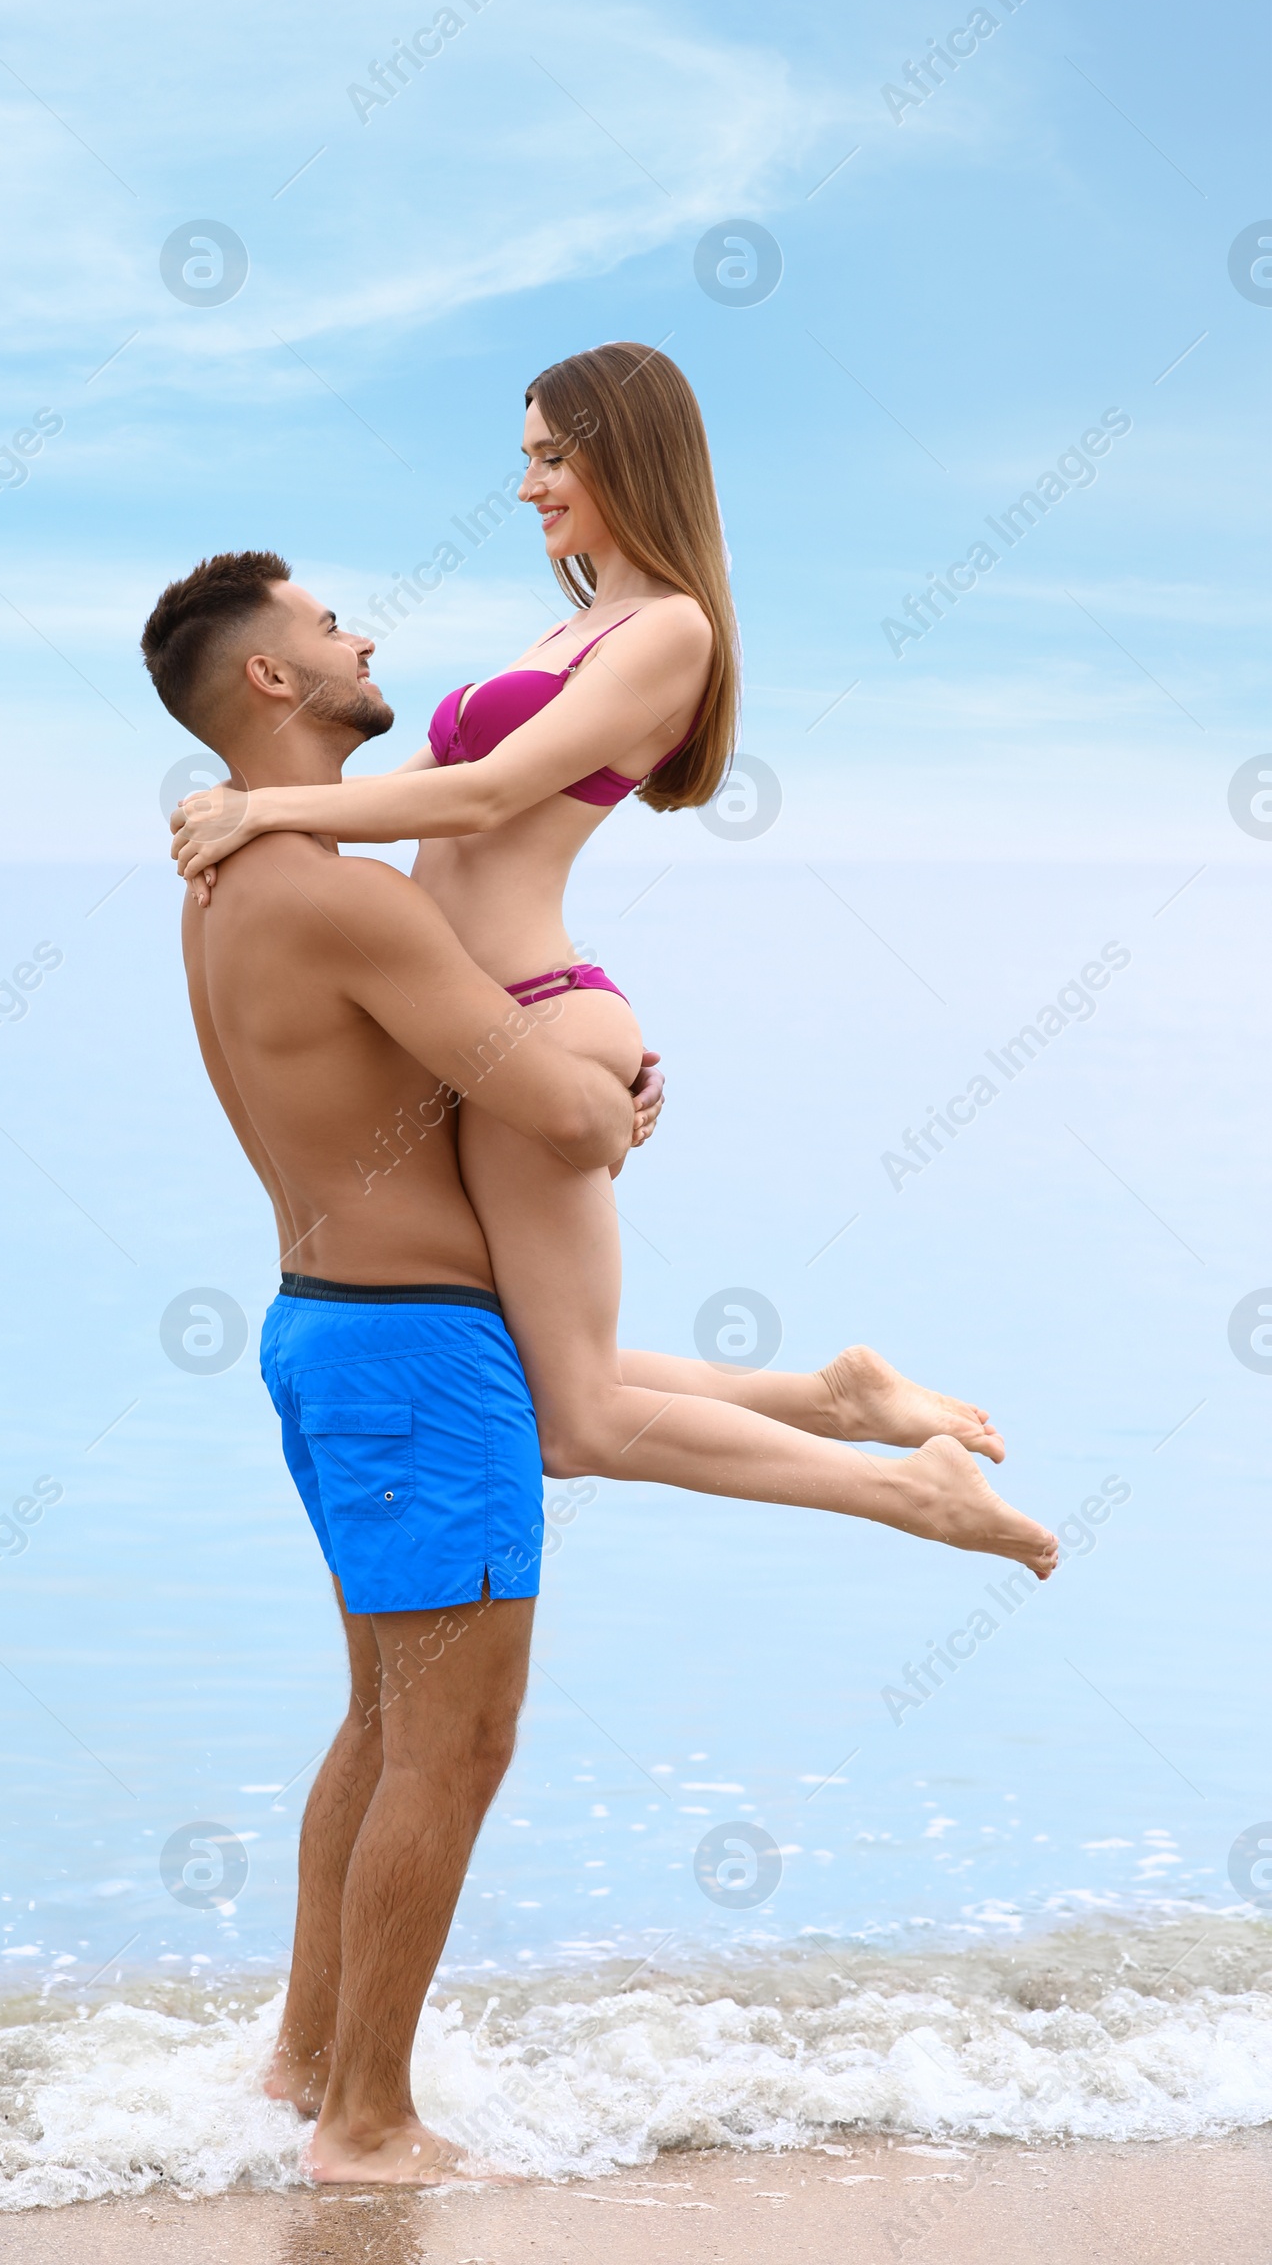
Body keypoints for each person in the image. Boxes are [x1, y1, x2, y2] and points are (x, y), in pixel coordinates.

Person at [170, 348, 1058, 1581]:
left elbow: (479, 800)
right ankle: (837, 1396)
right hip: (488, 1032)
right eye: (525, 458)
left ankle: (913, 1493)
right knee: (539, 1367)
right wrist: (264, 810)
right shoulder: (575, 623)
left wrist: (260, 815)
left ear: (623, 450)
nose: (529, 485)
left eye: (549, 455)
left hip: (535, 1017)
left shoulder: (672, 630)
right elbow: (439, 802)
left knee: (574, 1422)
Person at [142, 548, 638, 2183]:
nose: (364, 637)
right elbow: (563, 1116)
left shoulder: (230, 881)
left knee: (377, 1717)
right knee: (456, 1743)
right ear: (272, 682)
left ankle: (305, 2063)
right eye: (329, 625)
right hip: (419, 1356)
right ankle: (369, 2123)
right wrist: (615, 1077)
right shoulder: (343, 892)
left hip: (330, 1330)